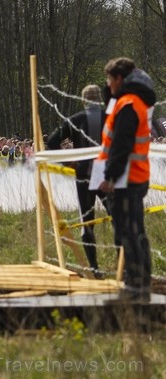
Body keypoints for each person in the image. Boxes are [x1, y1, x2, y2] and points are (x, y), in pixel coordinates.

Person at [97, 57, 156, 303]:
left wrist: (109, 175)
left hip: (126, 179)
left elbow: (121, 144)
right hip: (133, 175)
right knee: (135, 232)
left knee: (128, 233)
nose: (108, 85)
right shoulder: (132, 101)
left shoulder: (129, 104)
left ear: (119, 79)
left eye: (110, 80)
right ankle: (139, 284)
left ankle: (135, 287)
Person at [46, 84, 108, 277]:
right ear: (100, 99)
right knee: (119, 218)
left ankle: (95, 268)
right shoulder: (112, 118)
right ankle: (124, 266)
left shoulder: (75, 120)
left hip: (84, 175)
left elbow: (52, 141)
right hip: (108, 174)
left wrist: (68, 161)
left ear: (83, 100)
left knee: (87, 222)